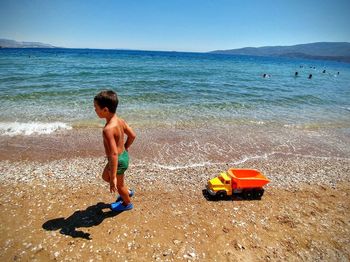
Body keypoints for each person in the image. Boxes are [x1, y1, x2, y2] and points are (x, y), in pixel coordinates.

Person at [94, 90, 136, 211]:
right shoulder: (120, 121)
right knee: (105, 177)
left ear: (105, 110)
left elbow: (113, 153)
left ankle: (127, 203)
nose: (95, 110)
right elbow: (132, 135)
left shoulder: (108, 129)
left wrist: (113, 177)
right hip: (123, 156)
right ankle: (127, 192)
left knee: (118, 183)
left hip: (117, 159)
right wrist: (126, 146)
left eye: (96, 108)